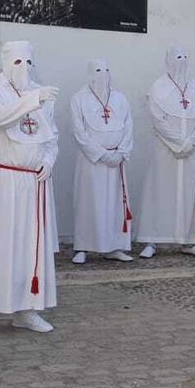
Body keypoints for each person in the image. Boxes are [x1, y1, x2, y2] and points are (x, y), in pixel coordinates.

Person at [0, 41, 61, 336]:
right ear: (7, 63)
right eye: (18, 62)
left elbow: (51, 136)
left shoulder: (39, 92)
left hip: (33, 181)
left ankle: (26, 309)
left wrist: (48, 160)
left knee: (28, 244)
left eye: (28, 62)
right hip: (2, 180)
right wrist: (33, 100)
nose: (24, 68)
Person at [137, 46, 195, 259]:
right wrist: (178, 143)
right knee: (159, 193)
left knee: (189, 195)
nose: (183, 61)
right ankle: (152, 240)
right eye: (178, 57)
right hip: (166, 150)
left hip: (190, 152)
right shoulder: (158, 87)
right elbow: (158, 119)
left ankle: (188, 241)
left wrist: (191, 142)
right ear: (169, 60)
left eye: (186, 57)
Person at [69, 59, 135, 264]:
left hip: (116, 161)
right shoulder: (78, 99)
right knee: (89, 203)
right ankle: (83, 247)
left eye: (107, 70)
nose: (103, 74)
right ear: (90, 74)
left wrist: (121, 152)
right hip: (92, 162)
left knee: (115, 204)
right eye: (98, 70)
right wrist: (102, 154)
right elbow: (79, 132)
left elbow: (128, 126)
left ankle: (115, 246)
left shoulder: (120, 99)